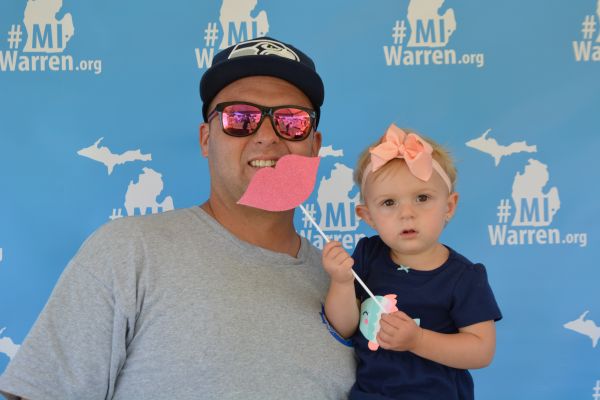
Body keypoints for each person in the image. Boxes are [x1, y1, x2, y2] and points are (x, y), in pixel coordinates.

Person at [0, 37, 355, 399]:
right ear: (205, 139)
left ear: (314, 146)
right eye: (239, 118)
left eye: (291, 122)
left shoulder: (345, 287)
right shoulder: (129, 252)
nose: (267, 136)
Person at [322, 124, 502, 400]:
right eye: (389, 203)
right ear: (368, 216)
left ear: (449, 207)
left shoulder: (464, 276)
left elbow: (481, 351)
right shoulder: (368, 255)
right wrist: (342, 282)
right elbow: (343, 327)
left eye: (422, 198)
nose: (407, 213)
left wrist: (418, 340)